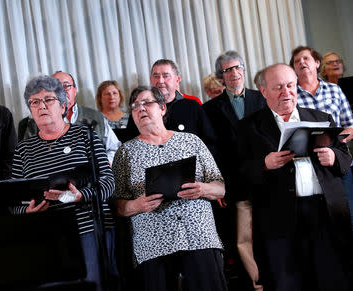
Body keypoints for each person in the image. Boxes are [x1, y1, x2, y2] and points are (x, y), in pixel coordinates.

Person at [237, 63, 352, 291]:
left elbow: (345, 157)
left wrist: (333, 156)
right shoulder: (247, 127)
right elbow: (237, 173)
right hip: (279, 219)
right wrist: (264, 164)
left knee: (331, 278)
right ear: (263, 91)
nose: (286, 92)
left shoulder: (321, 117)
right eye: (278, 87)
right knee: (288, 282)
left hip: (325, 213)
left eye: (290, 85)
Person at [112, 86, 227, 291]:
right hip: (153, 244)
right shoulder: (125, 153)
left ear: (163, 108)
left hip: (198, 236)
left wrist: (202, 189)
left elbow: (220, 188)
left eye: (146, 103)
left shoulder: (191, 141)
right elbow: (118, 206)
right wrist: (137, 205)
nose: (141, 109)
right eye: (135, 106)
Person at [11, 75, 118, 291]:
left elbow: (108, 182)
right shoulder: (23, 150)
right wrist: (26, 211)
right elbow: (12, 201)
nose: (42, 106)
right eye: (35, 102)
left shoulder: (84, 135)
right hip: (47, 236)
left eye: (48, 100)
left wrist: (78, 196)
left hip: (89, 228)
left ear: (63, 106)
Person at [290, 46, 353, 287]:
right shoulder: (292, 95)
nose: (302, 63)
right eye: (297, 61)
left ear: (317, 63)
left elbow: (352, 126)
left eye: (306, 58)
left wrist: (339, 139)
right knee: (321, 224)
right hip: (311, 168)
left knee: (348, 220)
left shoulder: (335, 90)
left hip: (339, 162)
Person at [202, 51, 266, 289]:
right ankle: (253, 285)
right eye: (228, 70)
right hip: (235, 183)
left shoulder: (262, 99)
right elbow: (212, 150)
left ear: (244, 70)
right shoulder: (209, 109)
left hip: (265, 178)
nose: (234, 73)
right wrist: (220, 186)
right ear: (221, 77)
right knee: (241, 239)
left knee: (268, 235)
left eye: (238, 67)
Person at [19, 71, 121, 163]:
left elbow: (114, 147)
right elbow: (28, 157)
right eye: (56, 87)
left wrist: (105, 163)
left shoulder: (96, 116)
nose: (62, 91)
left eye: (66, 86)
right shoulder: (37, 120)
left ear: (75, 90)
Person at [125, 59, 217, 155]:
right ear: (151, 80)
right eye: (156, 76)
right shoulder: (140, 111)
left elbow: (210, 142)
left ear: (177, 79)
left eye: (166, 76)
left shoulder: (192, 106)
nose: (160, 81)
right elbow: (130, 144)